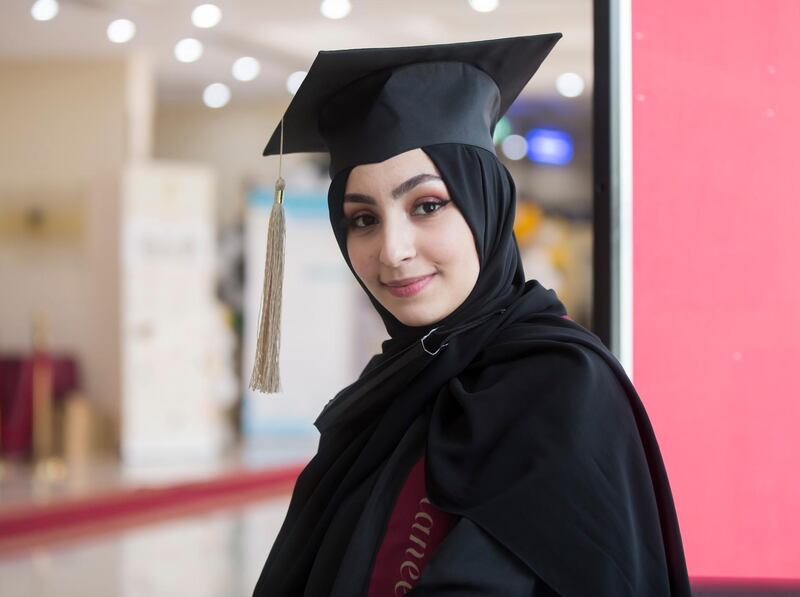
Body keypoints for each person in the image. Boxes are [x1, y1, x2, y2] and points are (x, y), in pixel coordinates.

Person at [250, 34, 692, 597]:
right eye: (363, 219)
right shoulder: (390, 390)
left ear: (486, 203)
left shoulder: (562, 389)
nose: (392, 250)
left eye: (427, 205)